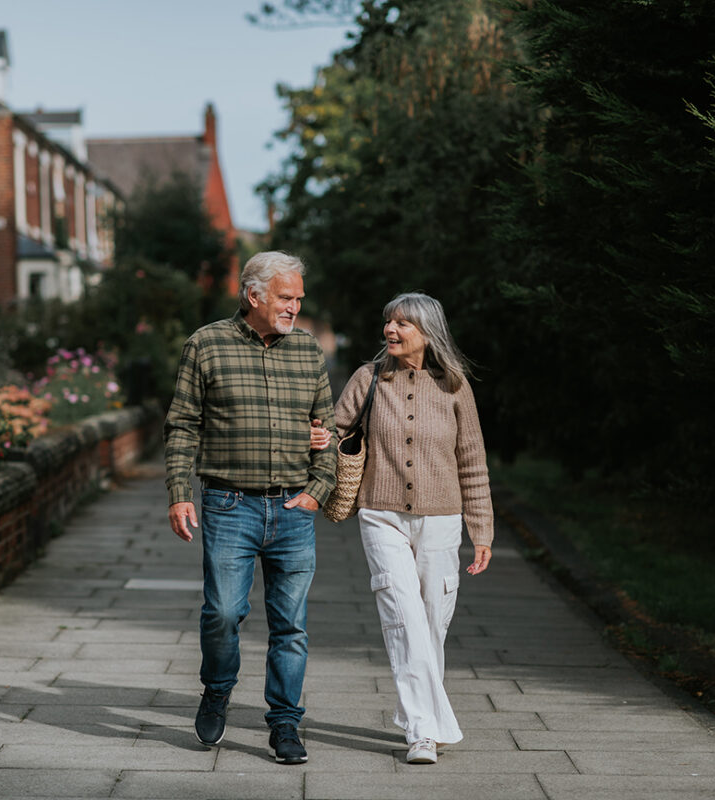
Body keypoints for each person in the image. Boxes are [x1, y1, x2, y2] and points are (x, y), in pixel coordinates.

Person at [165, 251, 337, 765]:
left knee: (291, 624)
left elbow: (328, 432)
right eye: (287, 298)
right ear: (253, 295)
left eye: (299, 298)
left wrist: (318, 489)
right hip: (228, 504)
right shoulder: (206, 344)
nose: (295, 308)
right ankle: (217, 689)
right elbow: (182, 424)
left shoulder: (308, 351)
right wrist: (178, 493)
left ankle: (285, 724)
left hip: (293, 508)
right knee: (222, 613)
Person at [331, 292, 493, 765]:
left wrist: (481, 529)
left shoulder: (455, 385)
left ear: (427, 331)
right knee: (402, 614)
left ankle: (422, 717)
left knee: (431, 621)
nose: (391, 330)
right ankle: (424, 731)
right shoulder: (368, 378)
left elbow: (473, 461)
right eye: (388, 321)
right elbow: (334, 430)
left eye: (403, 323)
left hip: (442, 517)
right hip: (380, 513)